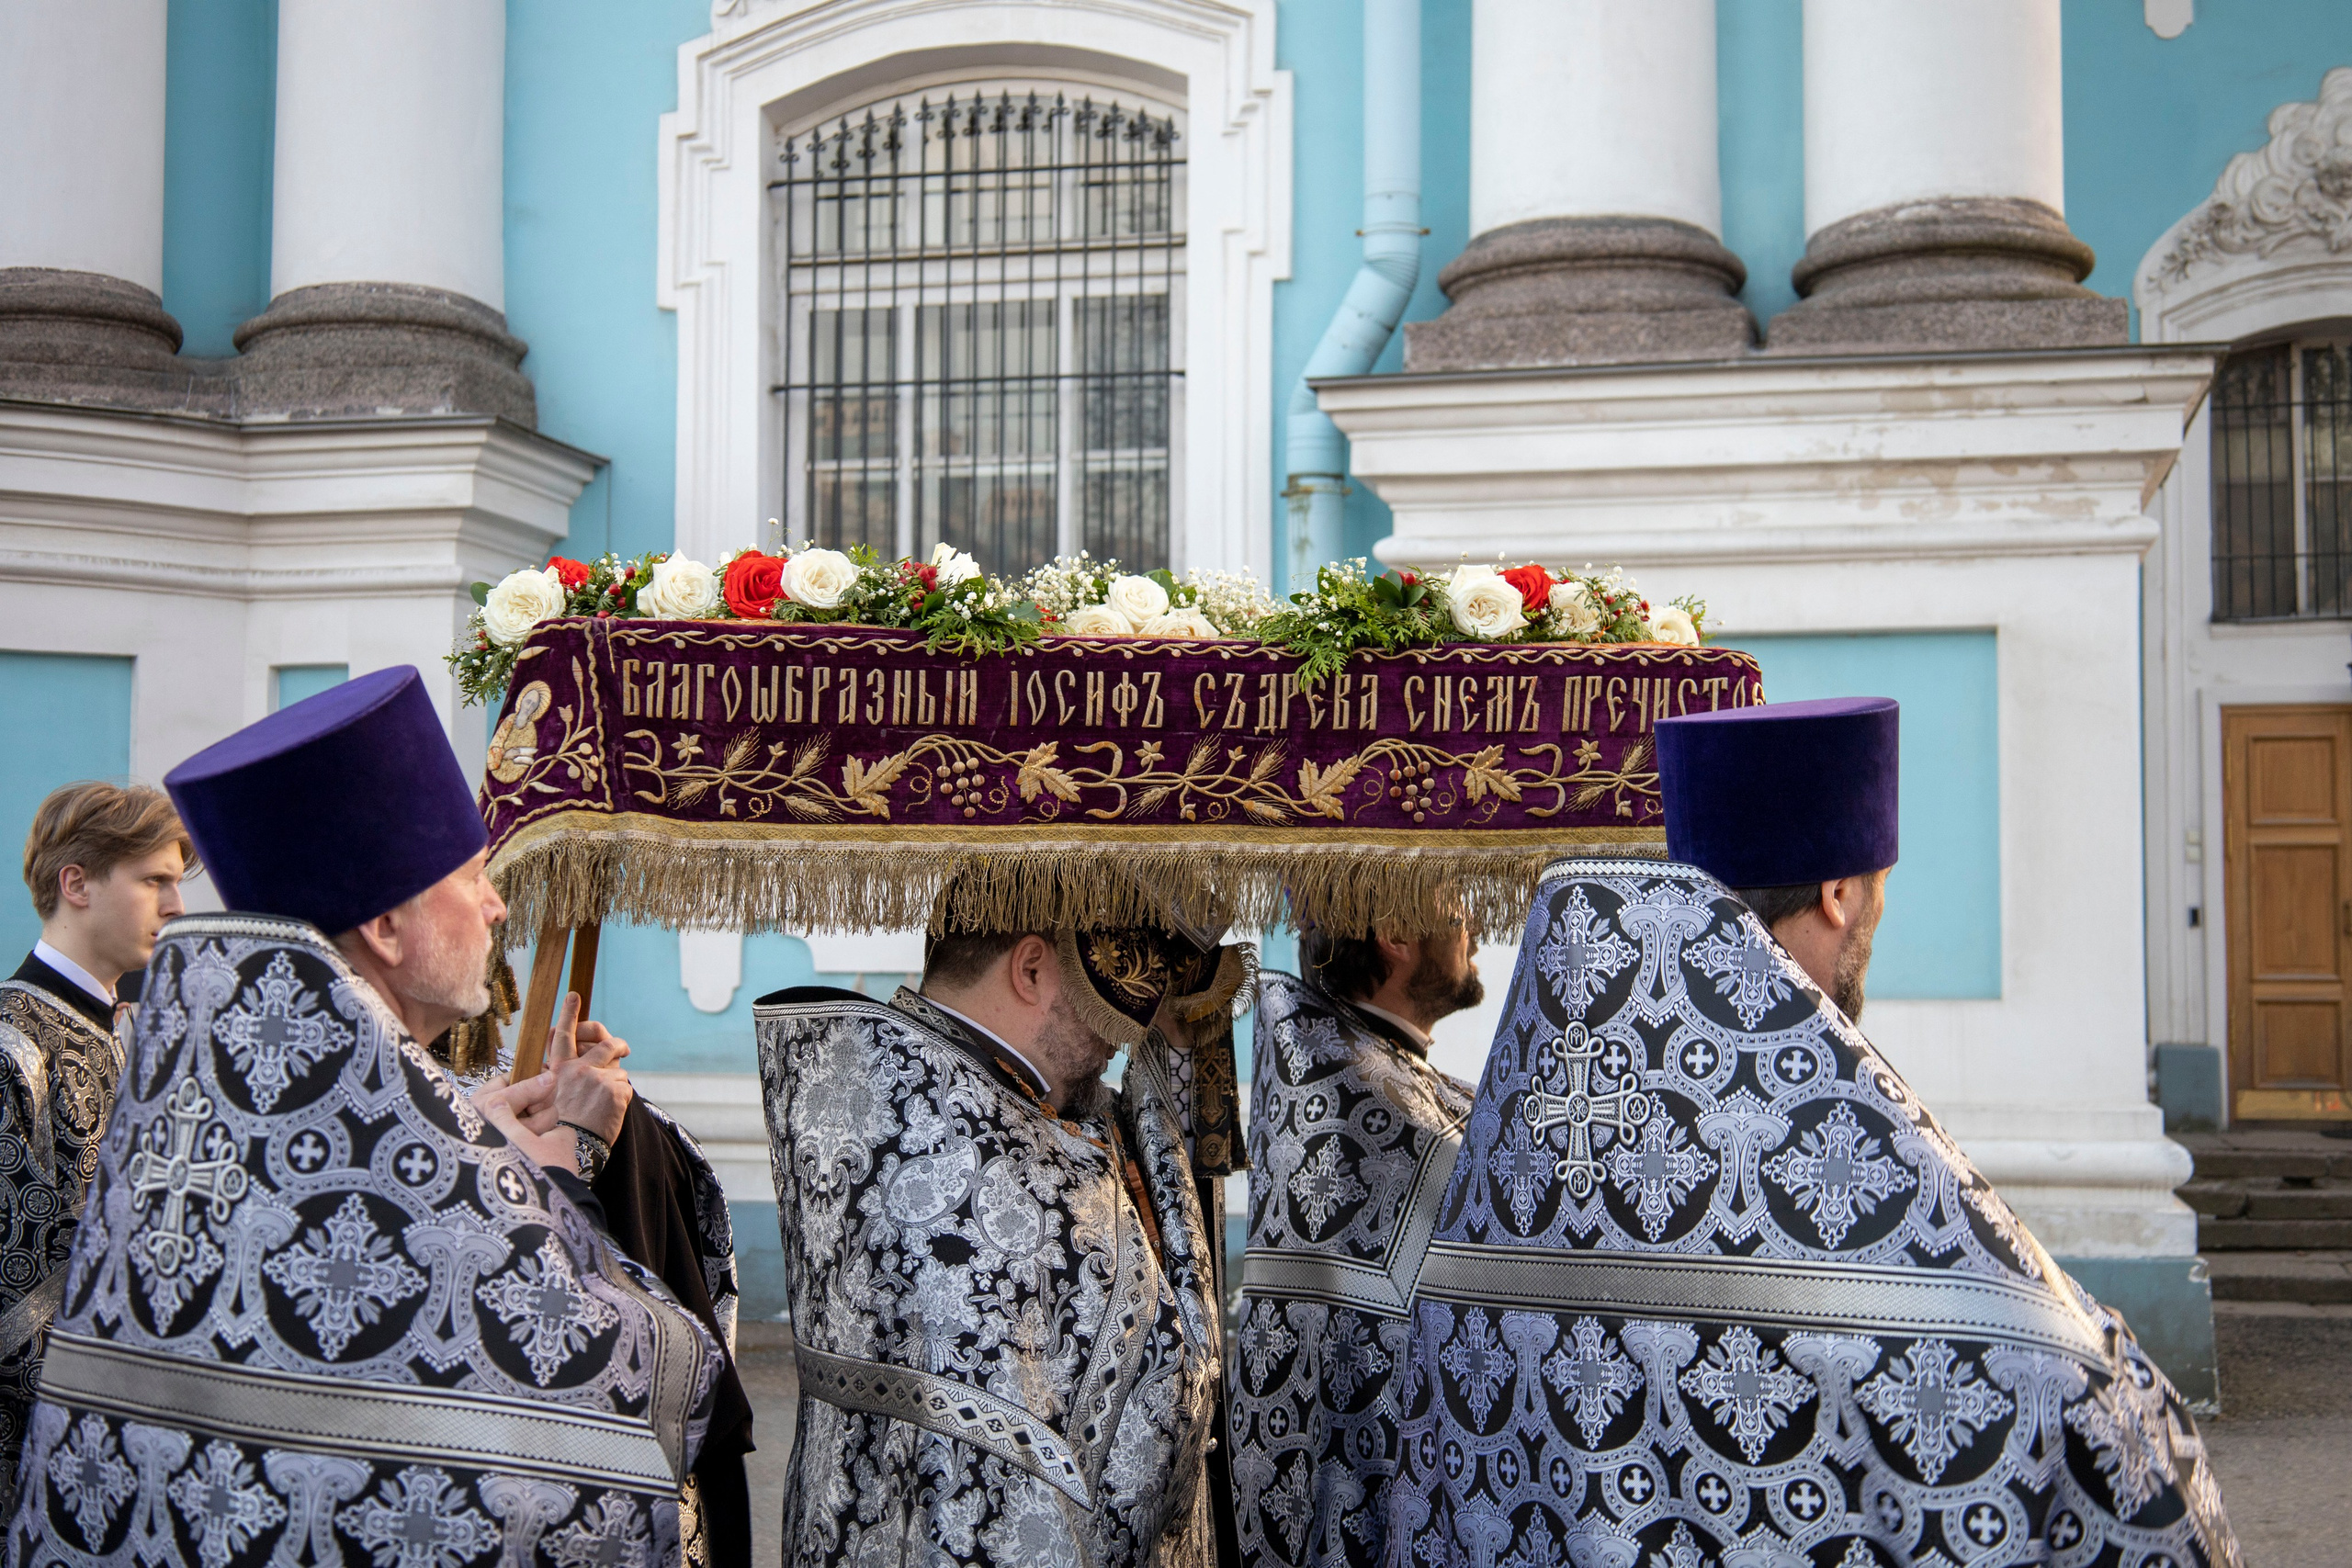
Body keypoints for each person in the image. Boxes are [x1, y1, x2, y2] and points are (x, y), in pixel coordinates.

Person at [1387, 696, 2240, 1568]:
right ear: (1837, 893)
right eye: (1878, 890)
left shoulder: (1517, 1150)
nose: (1874, 916)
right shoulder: (1836, 1177)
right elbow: (2087, 1421)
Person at [6, 667, 731, 1568]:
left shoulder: (219, 1085)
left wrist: (478, 1147)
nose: (499, 906)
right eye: (473, 879)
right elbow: (605, 1390)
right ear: (389, 929)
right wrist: (555, 1167)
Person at [753, 899, 1229, 1568]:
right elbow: (1162, 1402)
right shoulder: (960, 1145)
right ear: (1031, 968)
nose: (1120, 1039)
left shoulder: (901, 1080)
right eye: (1108, 1012)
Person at [1229, 914, 1484, 1568]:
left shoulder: (1372, 1070)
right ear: (1399, 933)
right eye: (1457, 911)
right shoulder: (1354, 1088)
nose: (1475, 927)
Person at [0, 783, 193, 1510]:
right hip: (45, 1461)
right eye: (154, 882)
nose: (176, 906)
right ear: (74, 882)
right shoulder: (12, 1046)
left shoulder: (141, 1035)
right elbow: (14, 1295)